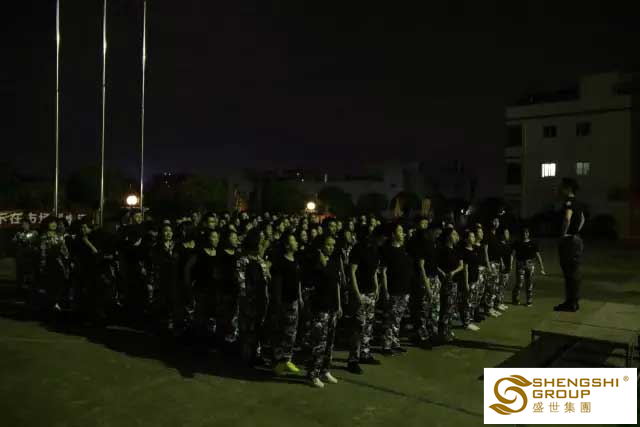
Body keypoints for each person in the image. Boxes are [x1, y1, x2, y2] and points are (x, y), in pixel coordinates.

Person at [306, 235, 342, 388]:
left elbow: (337, 284)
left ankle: (325, 370)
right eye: (328, 244)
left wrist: (339, 305)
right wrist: (322, 262)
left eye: (333, 244)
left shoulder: (333, 262)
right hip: (320, 307)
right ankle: (313, 373)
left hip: (332, 306)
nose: (331, 247)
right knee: (318, 342)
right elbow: (316, 281)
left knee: (329, 342)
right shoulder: (315, 264)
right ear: (321, 246)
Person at [347, 225, 383, 373]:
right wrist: (356, 293)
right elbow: (352, 272)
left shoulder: (375, 250)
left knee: (368, 324)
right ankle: (353, 359)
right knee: (358, 326)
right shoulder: (358, 249)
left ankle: (365, 353)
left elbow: (374, 271)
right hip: (360, 292)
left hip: (370, 292)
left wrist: (376, 287)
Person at [270, 233, 303, 375]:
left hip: (294, 301)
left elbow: (298, 280)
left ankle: (287, 360)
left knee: (291, 333)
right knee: (281, 332)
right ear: (287, 245)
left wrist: (300, 297)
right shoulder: (280, 263)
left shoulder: (296, 260)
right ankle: (278, 362)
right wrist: (278, 303)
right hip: (284, 302)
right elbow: (277, 284)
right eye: (293, 240)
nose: (296, 242)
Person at [237, 229, 270, 366]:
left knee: (258, 328)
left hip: (261, 300)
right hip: (249, 301)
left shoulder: (261, 261)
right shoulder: (243, 260)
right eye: (261, 242)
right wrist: (247, 300)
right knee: (247, 328)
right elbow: (241, 282)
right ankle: (246, 356)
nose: (263, 245)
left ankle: (256, 354)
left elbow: (266, 280)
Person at [380, 223, 413, 356]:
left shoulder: (404, 249)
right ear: (393, 235)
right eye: (399, 231)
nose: (402, 233)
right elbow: (383, 272)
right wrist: (385, 290)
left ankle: (395, 342)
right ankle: (386, 345)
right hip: (394, 289)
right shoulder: (388, 250)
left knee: (398, 318)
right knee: (391, 318)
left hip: (405, 289)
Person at [555, 178, 585, 312]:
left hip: (569, 241)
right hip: (577, 239)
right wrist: (576, 231)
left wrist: (564, 235)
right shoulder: (578, 203)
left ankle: (570, 303)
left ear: (568, 188)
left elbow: (567, 218)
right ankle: (574, 301)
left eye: (562, 187)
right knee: (574, 271)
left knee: (569, 272)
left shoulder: (568, 202)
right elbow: (582, 218)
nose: (560, 189)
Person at [406, 217, 435, 348]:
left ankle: (427, 332)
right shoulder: (416, 241)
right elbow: (420, 264)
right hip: (420, 277)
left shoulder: (428, 241)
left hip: (428, 276)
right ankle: (421, 336)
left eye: (426, 224)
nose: (425, 226)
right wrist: (426, 283)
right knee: (421, 308)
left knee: (427, 308)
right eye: (422, 223)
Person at [436, 227, 463, 344]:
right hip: (444, 282)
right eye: (454, 234)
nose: (456, 236)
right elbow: (435, 264)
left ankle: (447, 331)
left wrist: (453, 272)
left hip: (454, 282)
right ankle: (442, 332)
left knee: (451, 308)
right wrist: (442, 272)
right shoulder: (441, 249)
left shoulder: (456, 250)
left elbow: (461, 265)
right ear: (448, 236)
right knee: (445, 307)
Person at [38, 217, 70, 313]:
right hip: (49, 262)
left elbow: (64, 249)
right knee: (51, 283)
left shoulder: (60, 235)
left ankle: (57, 302)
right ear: (47, 224)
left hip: (59, 262)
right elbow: (43, 250)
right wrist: (43, 263)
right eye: (51, 223)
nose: (53, 224)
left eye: (55, 223)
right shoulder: (44, 236)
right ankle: (52, 303)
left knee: (60, 282)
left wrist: (66, 257)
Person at [193, 229, 220, 341]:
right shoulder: (200, 253)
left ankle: (209, 337)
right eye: (213, 237)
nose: (216, 239)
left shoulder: (219, 253)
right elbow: (189, 267)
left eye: (217, 237)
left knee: (212, 314)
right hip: (202, 287)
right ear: (208, 238)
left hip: (214, 289)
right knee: (201, 313)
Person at [216, 229, 241, 347]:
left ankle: (230, 341)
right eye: (233, 238)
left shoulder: (238, 254)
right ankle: (220, 342)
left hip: (235, 289)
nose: (236, 240)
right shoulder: (221, 254)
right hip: (224, 290)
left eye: (236, 238)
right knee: (223, 316)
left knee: (233, 317)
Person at [512, 227, 546, 307]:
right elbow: (512, 254)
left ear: (528, 234)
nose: (525, 234)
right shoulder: (517, 243)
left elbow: (537, 255)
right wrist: (510, 264)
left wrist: (541, 266)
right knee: (519, 283)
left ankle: (529, 300)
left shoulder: (533, 244)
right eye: (523, 232)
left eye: (526, 232)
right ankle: (515, 298)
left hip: (530, 265)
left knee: (529, 284)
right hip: (520, 264)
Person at [458, 230, 481, 332]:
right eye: (471, 236)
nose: (473, 238)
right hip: (469, 280)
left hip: (475, 280)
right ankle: (466, 323)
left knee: (472, 301)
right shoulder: (464, 251)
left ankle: (470, 320)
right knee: (467, 302)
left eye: (473, 236)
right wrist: (466, 283)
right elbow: (465, 268)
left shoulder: (474, 249)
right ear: (466, 239)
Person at [12, 215, 39, 292]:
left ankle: (32, 288)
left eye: (26, 224)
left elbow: (32, 240)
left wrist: (23, 238)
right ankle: (20, 288)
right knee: (20, 273)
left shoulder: (34, 232)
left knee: (30, 273)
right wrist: (17, 239)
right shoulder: (19, 233)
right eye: (23, 224)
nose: (24, 225)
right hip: (21, 256)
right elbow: (13, 241)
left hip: (31, 256)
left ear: (29, 224)